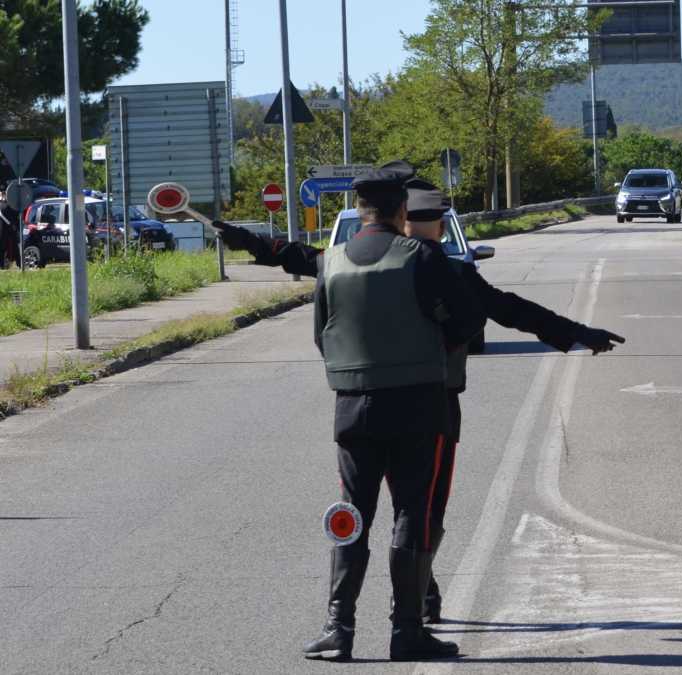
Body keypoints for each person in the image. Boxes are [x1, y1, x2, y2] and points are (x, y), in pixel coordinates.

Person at [214, 180, 625, 623]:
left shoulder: (345, 261)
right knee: (420, 510)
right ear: (407, 219)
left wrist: (244, 239)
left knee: (365, 511)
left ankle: (349, 620)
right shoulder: (434, 265)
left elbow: (296, 260)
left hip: (357, 405)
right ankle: (412, 612)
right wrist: (574, 334)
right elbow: (502, 310)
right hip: (429, 406)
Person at [304, 161, 485, 662]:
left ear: (359, 210)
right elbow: (468, 320)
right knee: (412, 512)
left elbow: (322, 333)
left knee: (351, 514)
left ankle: (337, 629)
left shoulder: (332, 261)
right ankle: (407, 632)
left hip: (353, 406)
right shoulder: (420, 257)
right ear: (402, 209)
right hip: (418, 405)